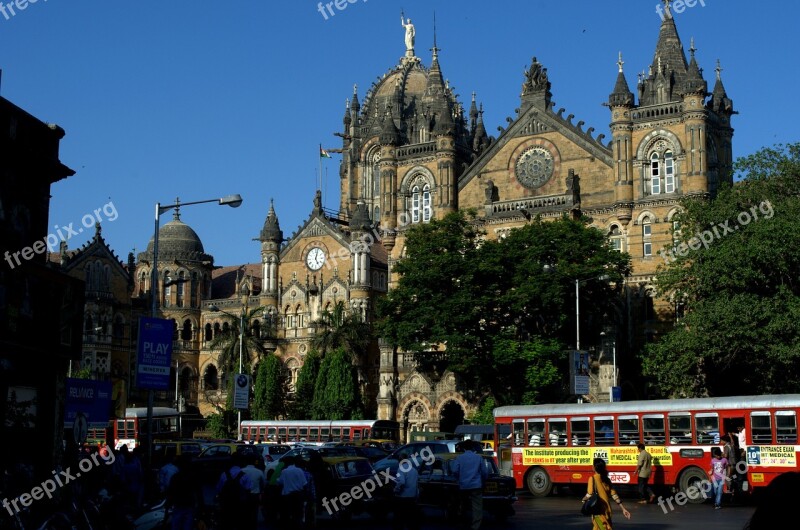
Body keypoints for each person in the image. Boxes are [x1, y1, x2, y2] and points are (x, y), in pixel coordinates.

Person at [581, 458, 631, 529]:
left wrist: (583, 500)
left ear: (594, 467)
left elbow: (589, 494)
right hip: (607, 510)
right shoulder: (607, 479)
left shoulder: (592, 478)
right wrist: (623, 509)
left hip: (598, 511)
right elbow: (614, 495)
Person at [451, 440, 488, 530]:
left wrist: (459, 478)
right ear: (473, 448)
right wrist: (483, 481)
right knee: (477, 507)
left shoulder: (459, 458)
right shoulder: (478, 458)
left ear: (464, 448)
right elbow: (484, 472)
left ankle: (463, 522)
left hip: (464, 485)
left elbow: (454, 470)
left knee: (463, 504)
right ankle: (475, 525)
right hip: (476, 485)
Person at [165, 455, 203, 530]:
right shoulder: (192, 477)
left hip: (180, 507)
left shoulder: (176, 478)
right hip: (187, 507)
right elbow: (199, 494)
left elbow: (170, 494)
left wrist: (167, 507)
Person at [216, 455, 253, 529]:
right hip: (239, 505)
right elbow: (248, 490)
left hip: (226, 505)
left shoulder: (224, 475)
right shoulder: (245, 475)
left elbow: (218, 489)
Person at [276, 456, 308, 528]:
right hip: (298, 495)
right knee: (298, 514)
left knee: (287, 515)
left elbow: (280, 482)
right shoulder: (299, 470)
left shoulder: (284, 471)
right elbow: (304, 484)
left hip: (287, 496)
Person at [392, 452, 421, 530]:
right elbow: (417, 484)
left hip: (403, 497)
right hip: (412, 497)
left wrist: (396, 490)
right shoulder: (414, 470)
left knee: (400, 518)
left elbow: (401, 482)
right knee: (411, 519)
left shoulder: (401, 469)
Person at [241, 455, 266, 529]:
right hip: (255, 495)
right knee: (254, 513)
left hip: (244, 495)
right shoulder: (259, 472)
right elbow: (263, 483)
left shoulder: (242, 471)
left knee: (245, 513)